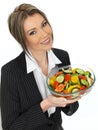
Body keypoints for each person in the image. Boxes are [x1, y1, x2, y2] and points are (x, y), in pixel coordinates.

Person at [1, 3, 81, 130]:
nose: (44, 34)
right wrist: (46, 104)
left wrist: (70, 97)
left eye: (44, 24)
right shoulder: (10, 72)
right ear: (21, 39)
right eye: (33, 32)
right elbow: (10, 127)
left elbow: (71, 109)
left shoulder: (62, 57)